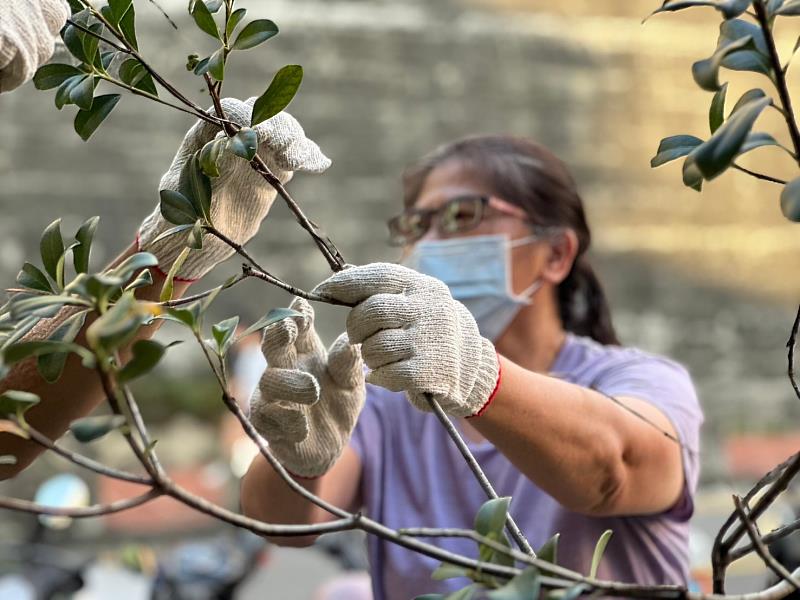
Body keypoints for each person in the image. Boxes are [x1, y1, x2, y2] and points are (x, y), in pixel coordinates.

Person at [239, 136, 704, 599]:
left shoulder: (642, 381)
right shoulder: (381, 401)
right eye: (415, 226)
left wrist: (477, 376)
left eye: (461, 216)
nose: (428, 245)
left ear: (557, 253)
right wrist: (296, 457)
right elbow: (282, 524)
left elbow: (614, 469)